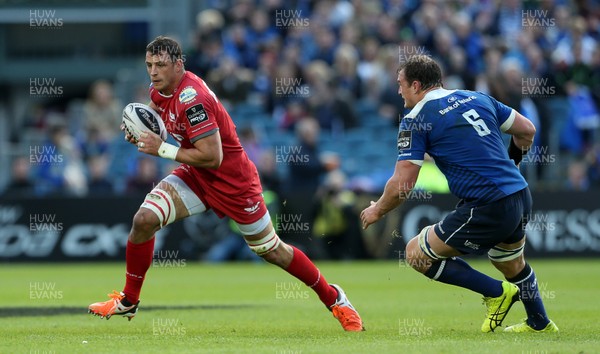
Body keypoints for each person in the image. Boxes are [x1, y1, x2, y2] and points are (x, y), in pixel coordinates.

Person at [88, 36, 363, 331]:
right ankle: (128, 300)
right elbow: (162, 127)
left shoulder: (193, 99)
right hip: (196, 176)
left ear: (179, 65)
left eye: (161, 65)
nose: (153, 72)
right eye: (149, 65)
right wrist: (139, 133)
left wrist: (161, 149)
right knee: (144, 220)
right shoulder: (159, 92)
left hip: (233, 182)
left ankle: (334, 298)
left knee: (273, 251)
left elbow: (212, 157)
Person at [360, 55, 557, 333]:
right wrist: (513, 163)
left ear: (416, 85)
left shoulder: (416, 119)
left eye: (401, 84)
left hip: (487, 202)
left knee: (416, 254)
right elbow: (527, 130)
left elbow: (404, 182)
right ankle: (540, 322)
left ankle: (497, 293)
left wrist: (377, 209)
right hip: (519, 194)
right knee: (511, 263)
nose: (398, 91)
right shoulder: (476, 97)